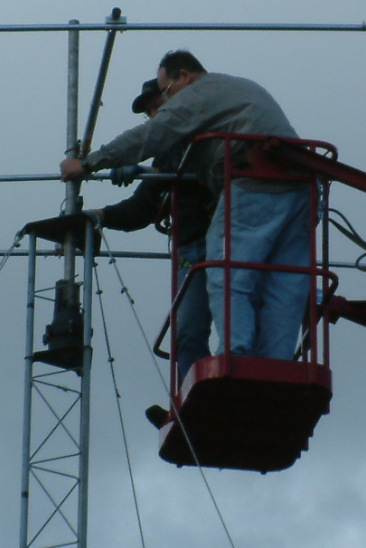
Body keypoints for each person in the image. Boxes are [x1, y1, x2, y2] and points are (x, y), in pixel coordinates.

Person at [61, 50, 311, 365]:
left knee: (228, 271)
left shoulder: (196, 96)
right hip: (298, 184)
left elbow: (148, 138)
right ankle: (276, 363)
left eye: (165, 94)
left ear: (185, 76)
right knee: (284, 278)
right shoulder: (233, 92)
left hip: (253, 183)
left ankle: (237, 357)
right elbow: (146, 200)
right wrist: (114, 203)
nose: (164, 106)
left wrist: (88, 164)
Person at [92, 79, 214, 380]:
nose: (154, 117)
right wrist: (99, 215)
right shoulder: (165, 155)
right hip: (189, 251)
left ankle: (229, 392)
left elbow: (209, 174)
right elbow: (142, 208)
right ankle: (195, 401)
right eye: (149, 113)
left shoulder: (205, 137)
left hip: (226, 242)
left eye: (158, 107)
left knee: (236, 324)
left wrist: (149, 171)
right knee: (186, 334)